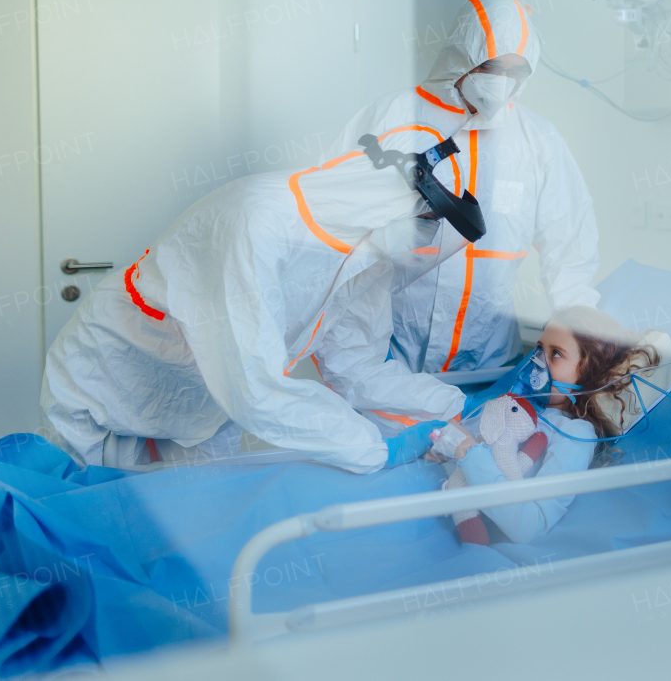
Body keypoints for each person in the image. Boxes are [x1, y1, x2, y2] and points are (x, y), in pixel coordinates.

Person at [40, 128, 474, 473]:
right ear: (386, 191)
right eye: (427, 218)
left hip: (207, 408)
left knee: (188, 541)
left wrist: (456, 405)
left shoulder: (366, 253)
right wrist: (375, 450)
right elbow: (256, 387)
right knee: (71, 529)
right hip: (111, 380)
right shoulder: (260, 222)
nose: (426, 234)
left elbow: (355, 368)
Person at [322, 0, 599, 380]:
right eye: (492, 66)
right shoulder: (391, 118)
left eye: (516, 72)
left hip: (489, 359)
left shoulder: (538, 141)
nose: (503, 82)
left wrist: (584, 339)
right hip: (390, 352)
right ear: (462, 55)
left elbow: (570, 245)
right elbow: (331, 225)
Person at [428, 306, 659, 544]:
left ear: (591, 370)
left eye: (556, 353)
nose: (538, 363)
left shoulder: (576, 434)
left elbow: (527, 527)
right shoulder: (521, 407)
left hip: (460, 525)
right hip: (435, 490)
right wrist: (444, 450)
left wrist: (467, 452)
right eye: (539, 349)